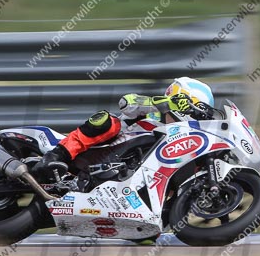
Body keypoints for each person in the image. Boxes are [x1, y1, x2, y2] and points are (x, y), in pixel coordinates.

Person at [34, 77, 215, 179]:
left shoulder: (185, 146)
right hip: (96, 156)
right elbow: (125, 102)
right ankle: (58, 154)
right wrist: (164, 103)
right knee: (108, 121)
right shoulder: (151, 114)